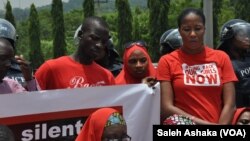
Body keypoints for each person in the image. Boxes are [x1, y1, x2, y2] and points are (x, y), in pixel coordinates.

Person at [157, 8, 238, 125]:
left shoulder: (221, 58)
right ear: (179, 31)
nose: (193, 34)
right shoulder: (167, 61)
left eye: (198, 28)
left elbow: (230, 105)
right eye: (186, 29)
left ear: (204, 29)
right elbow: (166, 108)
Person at [35, 16, 115, 90]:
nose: (99, 45)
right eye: (94, 38)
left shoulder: (107, 76)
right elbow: (31, 99)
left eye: (104, 42)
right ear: (80, 35)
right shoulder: (51, 68)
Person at [217, 19, 250, 107]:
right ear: (229, 36)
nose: (247, 38)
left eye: (248, 34)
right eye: (241, 35)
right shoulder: (221, 63)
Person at [0, 18, 37, 91]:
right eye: (2, 58)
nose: (7, 64)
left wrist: (29, 79)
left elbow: (33, 100)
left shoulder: (11, 85)